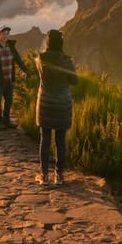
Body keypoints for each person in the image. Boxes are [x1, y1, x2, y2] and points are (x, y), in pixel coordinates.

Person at [34, 28, 77, 186]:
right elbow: (75, 81)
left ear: (48, 42)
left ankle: (44, 176)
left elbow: (41, 76)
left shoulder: (41, 59)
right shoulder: (67, 61)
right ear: (61, 43)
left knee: (44, 140)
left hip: (45, 103)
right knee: (60, 141)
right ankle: (59, 176)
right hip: (62, 104)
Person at [0, 24, 29, 130]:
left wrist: (25, 70)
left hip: (9, 79)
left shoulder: (11, 47)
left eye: (7, 34)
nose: (5, 36)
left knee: (8, 100)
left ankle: (6, 120)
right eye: (3, 34)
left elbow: (18, 60)